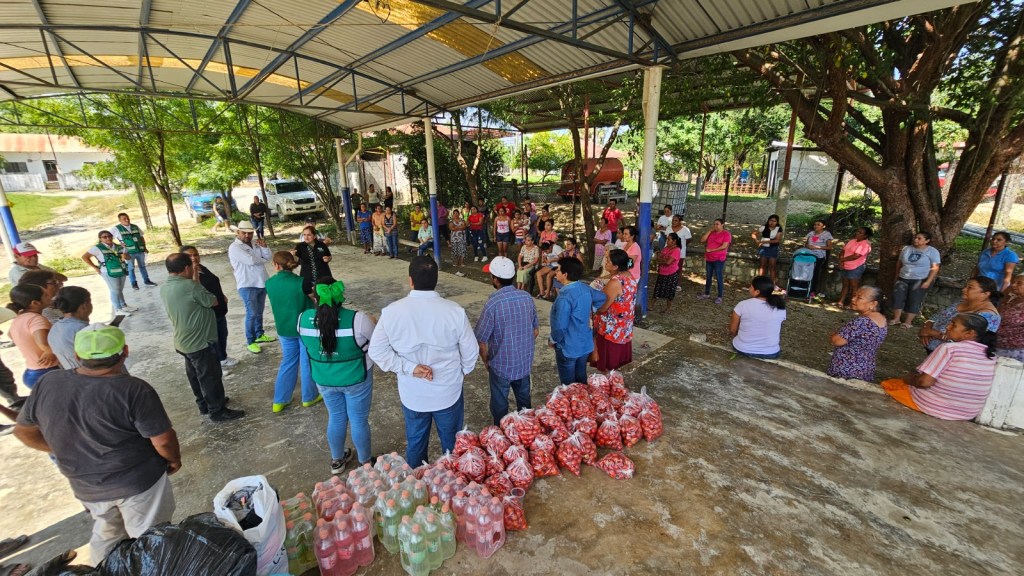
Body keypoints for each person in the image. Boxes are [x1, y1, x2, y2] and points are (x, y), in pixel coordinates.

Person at [13, 325, 179, 563]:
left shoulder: (49, 383)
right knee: (150, 538)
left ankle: (100, 569)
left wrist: (63, 448)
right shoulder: (133, 389)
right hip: (137, 482)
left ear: (78, 355)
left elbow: (23, 431)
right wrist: (173, 459)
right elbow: (162, 439)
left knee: (107, 534)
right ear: (125, 352)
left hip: (86, 485)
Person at [368, 256, 479, 466]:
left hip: (413, 394)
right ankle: (452, 483)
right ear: (436, 280)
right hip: (448, 391)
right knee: (452, 445)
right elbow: (470, 351)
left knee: (416, 443)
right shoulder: (454, 311)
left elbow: (377, 351)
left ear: (410, 281)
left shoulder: (392, 312)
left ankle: (419, 485)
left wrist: (410, 368)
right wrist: (461, 372)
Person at [299, 277, 376, 473]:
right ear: (341, 296)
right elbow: (376, 342)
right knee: (358, 419)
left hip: (323, 378)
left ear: (314, 297)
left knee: (335, 416)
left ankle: (337, 460)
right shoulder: (357, 319)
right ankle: (365, 463)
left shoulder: (302, 319)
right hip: (356, 378)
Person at [160, 253, 244, 421]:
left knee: (194, 375)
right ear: (186, 268)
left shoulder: (165, 287)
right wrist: (195, 280)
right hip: (200, 341)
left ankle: (204, 404)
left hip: (183, 340)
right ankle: (217, 410)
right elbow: (213, 301)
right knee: (210, 376)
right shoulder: (190, 286)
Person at [880, 313, 998, 421]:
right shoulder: (992, 356)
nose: (947, 327)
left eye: (953, 325)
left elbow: (924, 382)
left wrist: (909, 379)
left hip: (933, 407)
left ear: (969, 333)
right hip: (967, 413)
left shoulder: (949, 349)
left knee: (890, 384)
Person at [475, 256, 538, 426]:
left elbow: (481, 339)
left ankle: (501, 430)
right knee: (524, 400)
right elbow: (535, 330)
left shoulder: (493, 303)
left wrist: (486, 360)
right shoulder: (526, 297)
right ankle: (527, 428)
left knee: (500, 402)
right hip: (524, 363)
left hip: (501, 366)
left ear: (495, 279)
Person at [266, 252, 318, 413]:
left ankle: (280, 400)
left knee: (288, 362)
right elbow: (315, 299)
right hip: (304, 327)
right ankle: (309, 397)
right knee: (306, 361)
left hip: (284, 327)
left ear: (275, 265)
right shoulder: (302, 282)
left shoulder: (269, 283)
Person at [550, 258, 606, 385]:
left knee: (569, 385)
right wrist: (591, 309)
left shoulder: (565, 297)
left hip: (569, 347)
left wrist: (553, 340)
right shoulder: (584, 288)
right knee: (581, 378)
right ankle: (584, 402)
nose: (555, 273)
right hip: (585, 343)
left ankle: (574, 402)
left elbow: (560, 327)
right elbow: (602, 297)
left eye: (558, 270)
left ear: (565, 275)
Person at [181, 246, 238, 369]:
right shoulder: (188, 275)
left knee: (222, 335)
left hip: (219, 309)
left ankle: (222, 358)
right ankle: (216, 366)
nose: (194, 258)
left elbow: (213, 282)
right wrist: (194, 272)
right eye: (189, 256)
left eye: (195, 254)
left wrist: (221, 295)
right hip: (208, 312)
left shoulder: (203, 268)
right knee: (213, 341)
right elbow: (196, 290)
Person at [228, 221, 276, 354]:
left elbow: (268, 256)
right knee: (252, 313)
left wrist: (265, 247)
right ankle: (250, 341)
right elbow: (251, 261)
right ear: (238, 232)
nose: (248, 235)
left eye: (250, 233)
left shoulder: (255, 243)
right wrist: (261, 258)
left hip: (261, 282)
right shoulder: (235, 247)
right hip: (247, 284)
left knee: (259, 312)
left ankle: (260, 334)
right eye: (245, 233)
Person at [918, 276, 1001, 353]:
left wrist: (931, 333)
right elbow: (937, 316)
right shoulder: (961, 302)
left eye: (970, 287)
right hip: (935, 349)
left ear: (986, 294)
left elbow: (972, 342)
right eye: (965, 286)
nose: (964, 289)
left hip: (953, 355)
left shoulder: (990, 316)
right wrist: (926, 327)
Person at [827, 286, 888, 380]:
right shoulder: (882, 319)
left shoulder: (862, 322)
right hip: (865, 368)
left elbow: (837, 341)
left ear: (873, 304)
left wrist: (834, 335)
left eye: (859, 297)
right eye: (854, 295)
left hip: (847, 370)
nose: (853, 299)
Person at [592, 249, 637, 373]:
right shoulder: (629, 276)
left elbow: (603, 307)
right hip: (624, 324)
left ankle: (609, 381)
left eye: (608, 260)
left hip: (612, 326)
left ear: (616, 266)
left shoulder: (615, 282)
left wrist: (592, 312)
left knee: (610, 362)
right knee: (619, 361)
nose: (605, 262)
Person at [6, 284, 60, 388]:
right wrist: (48, 351)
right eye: (45, 295)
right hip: (46, 371)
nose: (50, 296)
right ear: (35, 303)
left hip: (32, 371)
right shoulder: (36, 319)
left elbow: (10, 334)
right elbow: (43, 342)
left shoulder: (19, 318)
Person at [890, 231, 942, 328]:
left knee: (914, 299)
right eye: (915, 238)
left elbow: (935, 267)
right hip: (903, 277)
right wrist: (896, 276)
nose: (915, 240)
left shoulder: (932, 251)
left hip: (920, 279)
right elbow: (899, 263)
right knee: (898, 297)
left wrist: (928, 281)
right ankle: (896, 318)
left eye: (919, 238)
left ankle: (908, 322)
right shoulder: (907, 249)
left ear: (927, 241)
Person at [729, 276, 787, 359]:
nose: (749, 289)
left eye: (751, 287)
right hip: (770, 352)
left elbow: (732, 330)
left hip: (743, 348)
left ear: (757, 291)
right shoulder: (780, 307)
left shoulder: (743, 305)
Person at [82, 230, 136, 318]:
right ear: (100, 239)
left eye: (109, 236)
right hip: (108, 271)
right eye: (104, 237)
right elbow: (85, 257)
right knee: (114, 290)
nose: (108, 238)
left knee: (119, 289)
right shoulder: (97, 248)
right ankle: (117, 309)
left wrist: (126, 256)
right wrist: (95, 267)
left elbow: (128, 257)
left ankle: (123, 305)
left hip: (121, 270)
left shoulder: (118, 246)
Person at [47, 286, 93, 370]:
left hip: (71, 375)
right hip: (91, 375)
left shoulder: (55, 328)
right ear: (85, 304)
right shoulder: (82, 330)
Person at [110, 213, 157, 291]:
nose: (127, 220)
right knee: (131, 268)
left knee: (142, 266)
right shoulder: (116, 229)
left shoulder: (135, 226)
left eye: (127, 218)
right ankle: (134, 283)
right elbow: (108, 239)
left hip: (140, 250)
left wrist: (144, 247)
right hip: (128, 252)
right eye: (124, 219)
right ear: (120, 220)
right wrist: (119, 245)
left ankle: (147, 281)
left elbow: (141, 237)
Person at [835, 227, 873, 308]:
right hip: (845, 265)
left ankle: (852, 304)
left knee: (854, 286)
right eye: (857, 231)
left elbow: (856, 256)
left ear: (865, 235)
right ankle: (841, 301)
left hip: (856, 267)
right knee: (845, 285)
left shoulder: (865, 244)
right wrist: (841, 261)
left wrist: (842, 259)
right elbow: (843, 251)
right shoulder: (852, 241)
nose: (857, 233)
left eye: (860, 233)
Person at [699, 219, 731, 305]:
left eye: (717, 224)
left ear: (722, 225)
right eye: (714, 224)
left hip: (719, 259)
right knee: (708, 276)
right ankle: (706, 293)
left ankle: (720, 296)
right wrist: (709, 231)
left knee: (719, 277)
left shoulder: (726, 234)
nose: (715, 226)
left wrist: (712, 250)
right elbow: (702, 240)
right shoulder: (712, 233)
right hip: (709, 258)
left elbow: (724, 246)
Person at [294, 225, 333, 295]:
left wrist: (328, 258)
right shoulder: (300, 246)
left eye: (309, 235)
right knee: (309, 296)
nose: (306, 237)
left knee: (325, 296)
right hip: (307, 276)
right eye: (304, 235)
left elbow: (329, 256)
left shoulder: (322, 245)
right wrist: (293, 255)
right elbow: (296, 261)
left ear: (314, 236)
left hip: (323, 275)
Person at [996, 274, 1024, 362]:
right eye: (1013, 282)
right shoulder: (1012, 299)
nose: (1013, 285)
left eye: (1019, 283)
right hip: (998, 345)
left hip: (1016, 351)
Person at [652, 233, 682, 312]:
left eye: (669, 239)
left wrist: (661, 260)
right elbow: (659, 258)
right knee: (657, 290)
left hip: (671, 273)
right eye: (667, 239)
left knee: (670, 292)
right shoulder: (666, 248)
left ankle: (668, 308)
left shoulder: (676, 250)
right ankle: (651, 305)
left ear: (674, 241)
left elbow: (668, 262)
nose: (667, 241)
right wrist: (662, 260)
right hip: (662, 272)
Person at [752, 214, 783, 289]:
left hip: (773, 249)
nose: (772, 222)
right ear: (768, 221)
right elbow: (753, 234)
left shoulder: (779, 229)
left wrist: (764, 242)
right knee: (762, 266)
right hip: (763, 249)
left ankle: (773, 284)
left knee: (772, 266)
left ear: (777, 222)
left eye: (774, 221)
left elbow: (777, 240)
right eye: (770, 220)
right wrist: (757, 241)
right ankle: (759, 284)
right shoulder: (763, 227)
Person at [803, 220, 834, 296]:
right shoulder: (811, 233)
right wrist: (807, 246)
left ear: (823, 226)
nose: (816, 226)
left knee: (815, 273)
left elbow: (829, 247)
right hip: (809, 255)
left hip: (819, 256)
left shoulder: (826, 234)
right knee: (805, 272)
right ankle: (804, 288)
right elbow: (806, 243)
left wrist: (816, 247)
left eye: (818, 225)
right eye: (815, 224)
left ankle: (812, 291)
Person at [671, 215, 693, 289]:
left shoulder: (685, 230)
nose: (673, 222)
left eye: (675, 220)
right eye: (673, 220)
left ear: (680, 222)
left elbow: (689, 239)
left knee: (678, 268)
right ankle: (669, 282)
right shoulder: (669, 228)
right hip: (669, 250)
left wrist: (682, 245)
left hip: (680, 251)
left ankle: (678, 284)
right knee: (668, 266)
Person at [449, 208, 468, 275]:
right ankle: (457, 262)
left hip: (462, 238)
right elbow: (451, 228)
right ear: (453, 214)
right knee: (455, 250)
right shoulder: (451, 221)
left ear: (459, 214)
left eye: (457, 214)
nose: (456, 215)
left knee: (462, 249)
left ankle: (462, 262)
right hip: (454, 238)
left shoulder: (462, 220)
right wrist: (459, 227)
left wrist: (456, 227)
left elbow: (464, 227)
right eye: (454, 214)